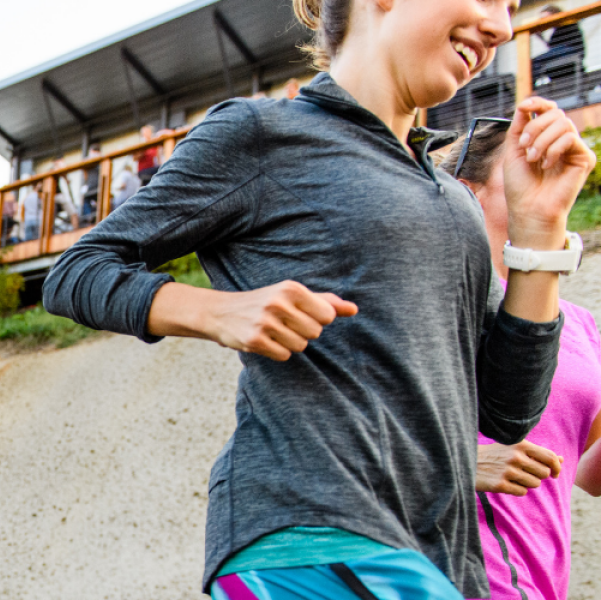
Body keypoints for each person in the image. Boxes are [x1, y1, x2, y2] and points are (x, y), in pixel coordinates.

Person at [43, 0, 593, 596]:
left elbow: (507, 412)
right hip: (306, 540)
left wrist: (539, 238)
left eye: (512, 8)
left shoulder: (454, 202)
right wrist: (217, 310)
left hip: (440, 558)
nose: (503, 27)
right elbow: (77, 270)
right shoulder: (262, 135)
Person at [437, 120, 601, 600]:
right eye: (529, 172)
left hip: (537, 584)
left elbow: (589, 475)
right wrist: (460, 463)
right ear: (467, 194)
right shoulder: (428, 301)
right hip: (444, 577)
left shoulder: (582, 325)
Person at [531, 5, 586, 85]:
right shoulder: (555, 32)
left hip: (572, 51)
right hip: (565, 53)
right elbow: (553, 50)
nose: (544, 21)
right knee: (538, 62)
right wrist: (541, 38)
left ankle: (531, 90)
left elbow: (557, 50)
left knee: (535, 61)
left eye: (545, 18)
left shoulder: (569, 23)